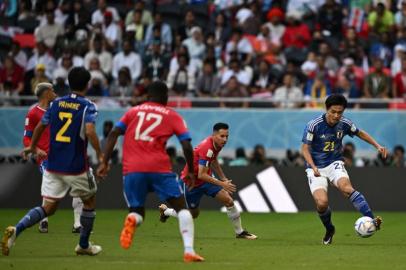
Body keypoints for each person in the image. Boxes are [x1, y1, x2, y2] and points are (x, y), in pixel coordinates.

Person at [96, 81, 204, 263]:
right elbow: (186, 144)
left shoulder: (133, 111)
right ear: (166, 97)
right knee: (182, 209)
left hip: (132, 169)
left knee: (137, 211)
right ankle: (189, 250)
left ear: (147, 96)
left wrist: (104, 162)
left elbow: (114, 133)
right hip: (159, 168)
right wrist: (192, 171)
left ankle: (132, 219)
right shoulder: (172, 115)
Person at [2, 67, 103, 256]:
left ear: (69, 84)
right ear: (87, 84)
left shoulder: (55, 104)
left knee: (48, 207)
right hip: (76, 166)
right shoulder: (88, 105)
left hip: (53, 165)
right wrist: (102, 156)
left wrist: (32, 146)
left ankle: (16, 230)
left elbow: (41, 126)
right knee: (89, 202)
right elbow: (89, 131)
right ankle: (83, 245)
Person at [301, 94, 386, 245]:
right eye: (333, 112)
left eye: (339, 112)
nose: (336, 115)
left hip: (334, 162)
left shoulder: (345, 123)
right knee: (322, 203)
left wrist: (377, 145)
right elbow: (305, 149)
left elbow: (359, 133)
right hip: (315, 166)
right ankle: (329, 229)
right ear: (326, 109)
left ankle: (372, 220)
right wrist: (313, 166)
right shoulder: (313, 125)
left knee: (346, 188)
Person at [159, 123, 257, 240]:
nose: (225, 139)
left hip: (206, 180)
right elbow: (201, 174)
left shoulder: (217, 145)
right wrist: (222, 184)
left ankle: (240, 232)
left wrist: (223, 178)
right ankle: (166, 211)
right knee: (193, 214)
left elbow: (213, 160)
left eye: (227, 136)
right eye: (222, 136)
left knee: (229, 201)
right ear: (214, 135)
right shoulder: (207, 148)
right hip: (191, 183)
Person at [23, 82, 84, 234]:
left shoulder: (56, 108)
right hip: (45, 158)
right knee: (48, 184)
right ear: (46, 93)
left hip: (64, 155)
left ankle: (77, 224)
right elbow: (27, 138)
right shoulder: (33, 113)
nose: (55, 92)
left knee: (78, 187)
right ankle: (44, 221)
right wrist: (36, 149)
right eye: (52, 90)